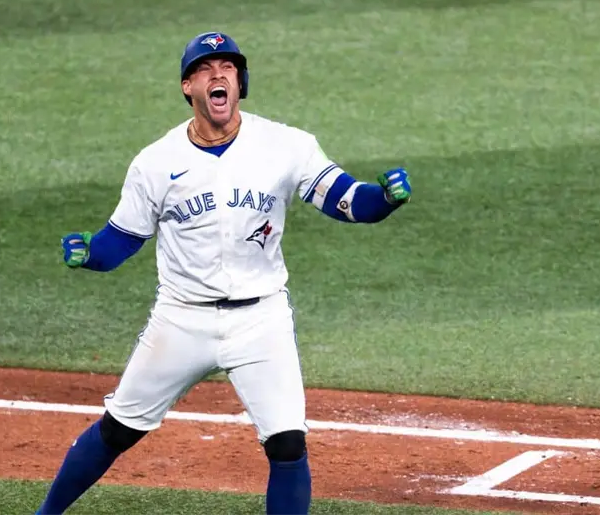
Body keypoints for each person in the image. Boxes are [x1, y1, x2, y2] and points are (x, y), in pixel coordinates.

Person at [36, 31, 412, 515]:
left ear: (241, 82)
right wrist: (89, 252)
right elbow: (121, 241)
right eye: (205, 69)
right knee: (119, 429)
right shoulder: (155, 163)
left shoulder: (285, 145)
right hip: (181, 319)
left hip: (262, 319)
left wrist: (382, 199)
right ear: (187, 87)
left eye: (228, 68)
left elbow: (345, 200)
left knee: (288, 445)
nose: (218, 75)